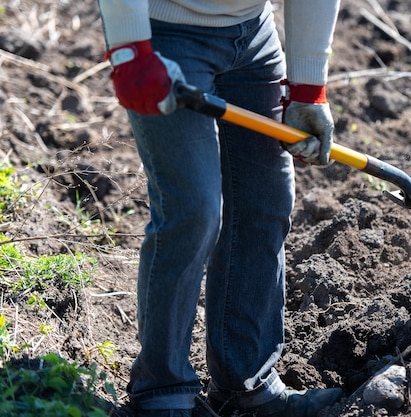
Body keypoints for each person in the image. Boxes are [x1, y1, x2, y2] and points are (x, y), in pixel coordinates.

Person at [96, 0, 343, 416]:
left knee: (264, 201)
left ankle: (246, 384)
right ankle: (162, 393)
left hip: (253, 37)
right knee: (193, 208)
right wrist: (130, 49)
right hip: (166, 30)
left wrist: (307, 87)